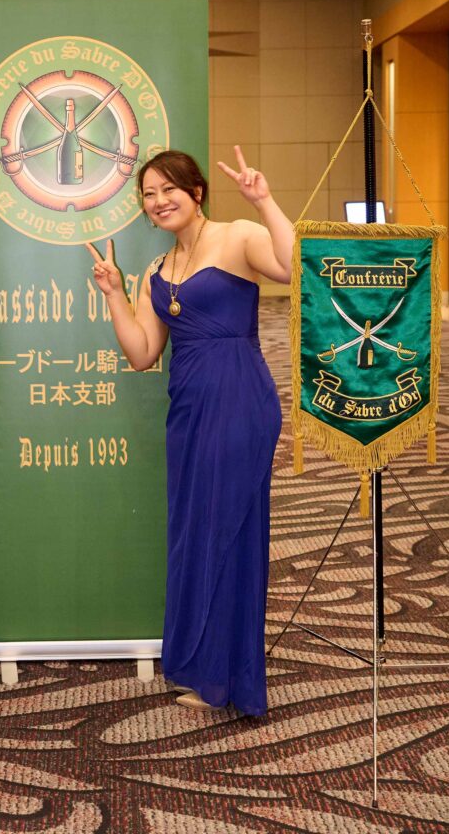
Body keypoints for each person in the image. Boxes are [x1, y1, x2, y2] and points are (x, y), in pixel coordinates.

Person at [87, 147, 293, 714]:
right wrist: (115, 294)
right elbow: (142, 354)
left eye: (169, 190)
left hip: (239, 401)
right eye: (149, 195)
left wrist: (264, 200)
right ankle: (206, 670)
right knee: (194, 534)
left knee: (229, 532)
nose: (158, 202)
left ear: (196, 192)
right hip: (188, 410)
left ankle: (232, 678)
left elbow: (292, 267)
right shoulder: (156, 270)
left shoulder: (238, 235)